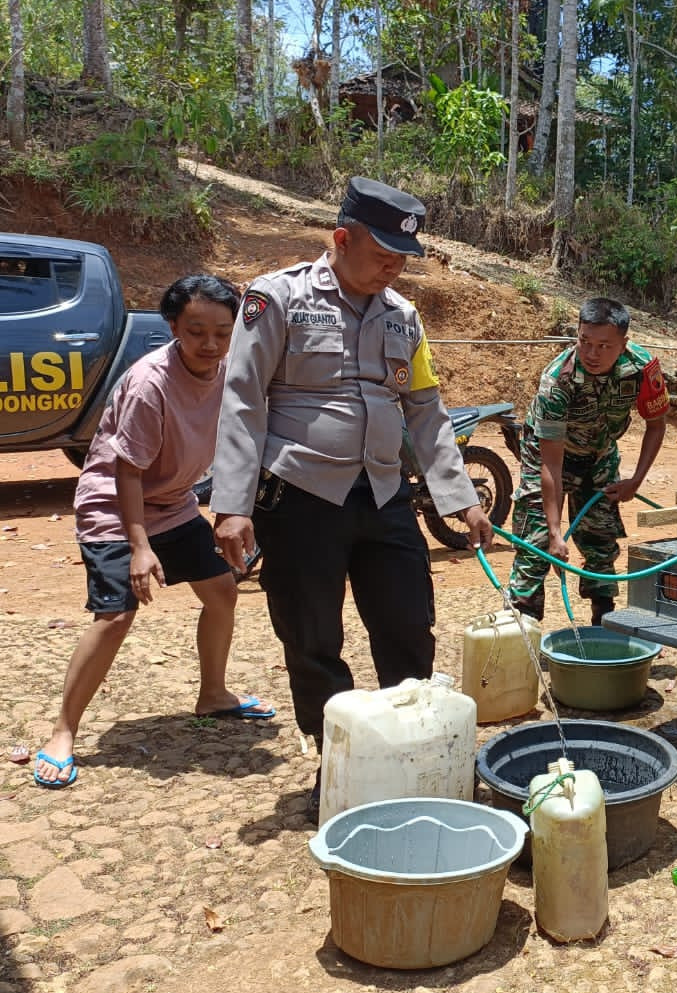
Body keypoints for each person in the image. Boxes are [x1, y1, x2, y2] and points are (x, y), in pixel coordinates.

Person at [210, 176, 492, 818]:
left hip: (386, 493)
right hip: (302, 495)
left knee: (406, 626)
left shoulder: (402, 316)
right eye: (382, 255)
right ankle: (337, 764)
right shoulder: (277, 299)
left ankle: (413, 752)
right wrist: (232, 504)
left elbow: (425, 409)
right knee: (312, 638)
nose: (393, 269)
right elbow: (243, 401)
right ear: (341, 238)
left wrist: (460, 496)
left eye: (402, 259)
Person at [34, 274, 269, 789]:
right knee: (116, 616)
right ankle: (62, 732)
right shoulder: (149, 383)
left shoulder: (231, 372)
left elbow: (241, 440)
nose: (210, 343)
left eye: (222, 332)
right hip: (115, 508)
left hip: (173, 504)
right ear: (173, 328)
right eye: (196, 330)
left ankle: (214, 694)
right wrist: (140, 549)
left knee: (222, 592)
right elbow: (127, 472)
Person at [508, 296, 670, 624]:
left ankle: (603, 623)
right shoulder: (558, 380)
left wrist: (635, 480)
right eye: (585, 342)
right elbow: (551, 464)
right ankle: (522, 627)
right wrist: (555, 532)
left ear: (623, 344)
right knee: (536, 542)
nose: (592, 354)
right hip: (549, 456)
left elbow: (657, 424)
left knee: (600, 538)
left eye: (603, 346)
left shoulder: (643, 368)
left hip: (600, 454)